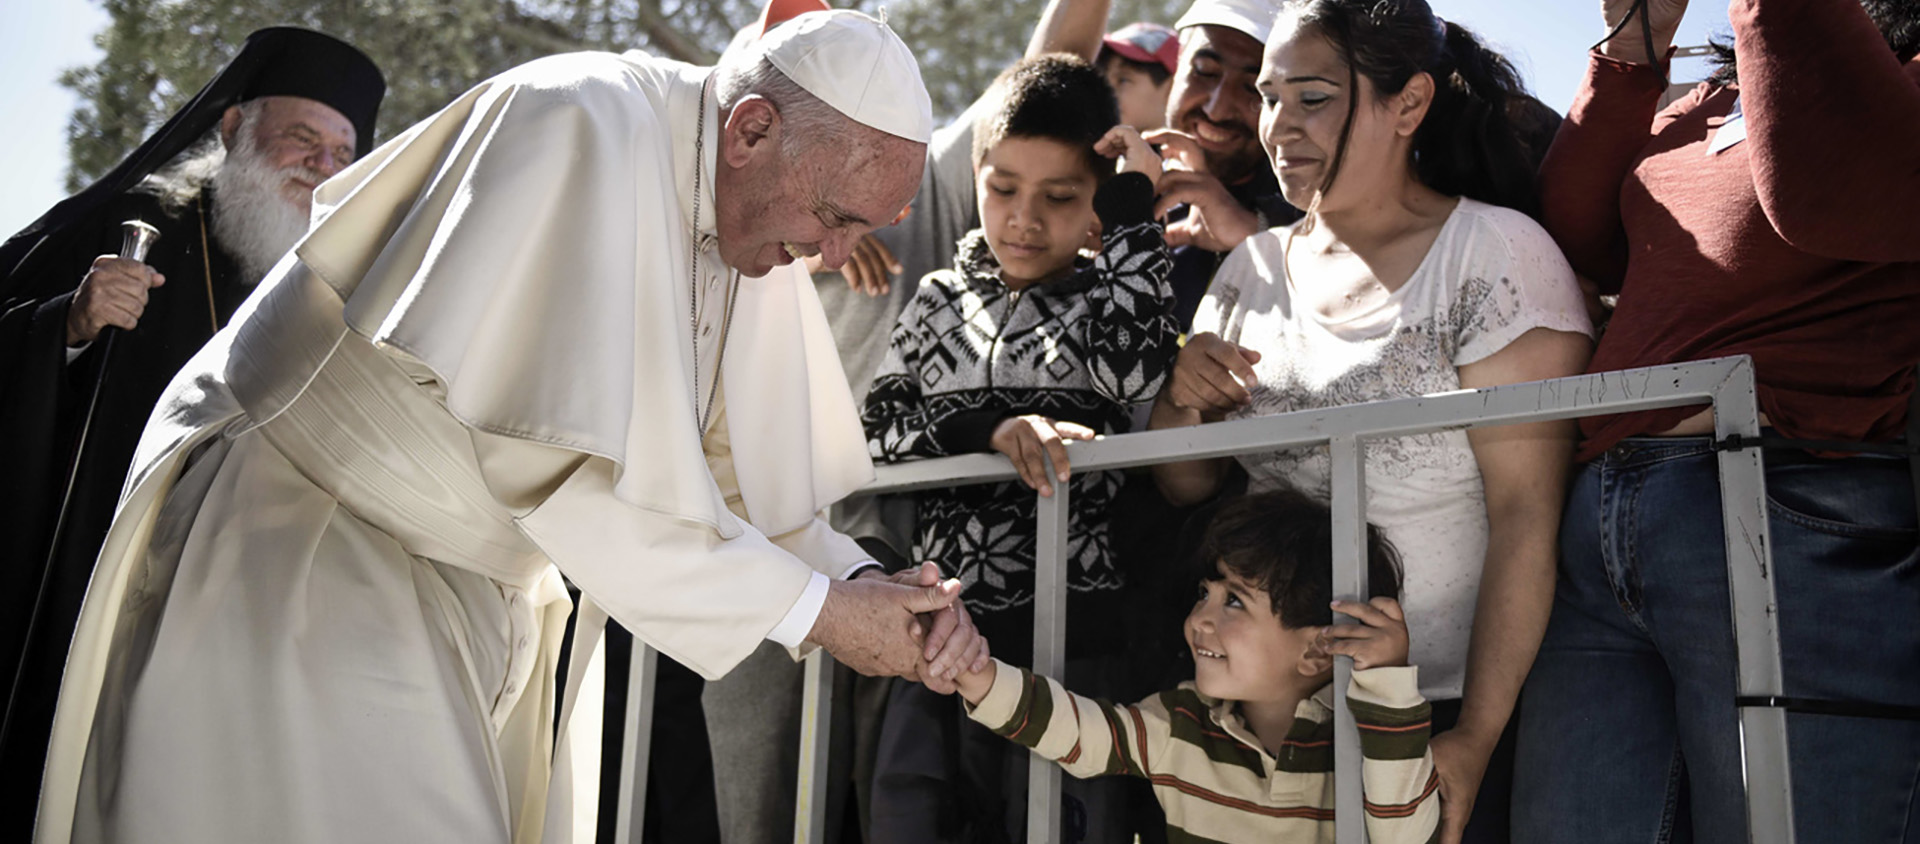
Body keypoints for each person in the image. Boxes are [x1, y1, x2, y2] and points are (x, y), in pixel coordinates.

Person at [32, 11, 989, 844]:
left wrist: (871, 586)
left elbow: (740, 494)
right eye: (832, 217)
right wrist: (826, 617)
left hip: (453, 589)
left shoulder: (753, 221)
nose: (831, 255)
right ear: (752, 128)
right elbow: (565, 475)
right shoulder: (583, 118)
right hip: (303, 543)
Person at [1147, 2, 1594, 842]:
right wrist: (1182, 394)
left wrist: (1474, 738)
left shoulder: (1495, 255)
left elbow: (1528, 515)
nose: (1279, 126)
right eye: (1271, 97)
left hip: (1429, 715)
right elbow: (1186, 484)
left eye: (1311, 98)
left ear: (1409, 103)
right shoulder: (1247, 269)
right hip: (1262, 723)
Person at [1513, 0, 1920, 842]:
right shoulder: (1710, 99)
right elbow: (1571, 236)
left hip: (1786, 512)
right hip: (1598, 525)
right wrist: (1637, 42)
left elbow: (1831, 195)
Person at [0, 26, 383, 837]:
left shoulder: (335, 290)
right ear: (236, 129)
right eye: (301, 138)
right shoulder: (132, 223)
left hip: (232, 604)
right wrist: (67, 324)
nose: (320, 166)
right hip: (86, 573)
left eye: (340, 153)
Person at [861, 54, 1181, 843]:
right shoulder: (936, 301)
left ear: (1097, 196)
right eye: (1002, 189)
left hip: (1076, 647)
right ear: (975, 171)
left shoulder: (1113, 293)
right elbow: (873, 432)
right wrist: (990, 436)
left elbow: (1135, 371)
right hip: (938, 638)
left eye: (1061, 196)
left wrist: (1134, 213)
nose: (1024, 219)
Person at [944, 488, 1438, 843]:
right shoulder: (1181, 720)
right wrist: (977, 674)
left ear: (1315, 651)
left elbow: (1406, 835)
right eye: (1206, 593)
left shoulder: (1362, 737)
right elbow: (1082, 732)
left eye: (1235, 603)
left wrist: (1387, 684)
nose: (1201, 618)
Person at [1096, 22, 1179, 131]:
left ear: (1171, 90)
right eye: (1103, 80)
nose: (1104, 92)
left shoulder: (1190, 148)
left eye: (1123, 80)